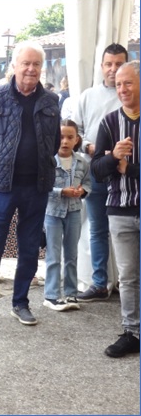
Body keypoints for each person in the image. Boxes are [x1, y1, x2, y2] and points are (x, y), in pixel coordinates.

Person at [0, 41, 60, 326]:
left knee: (29, 247)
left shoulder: (51, 101)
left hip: (37, 185)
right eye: (26, 63)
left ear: (41, 69)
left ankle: (20, 303)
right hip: (1, 185)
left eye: (36, 64)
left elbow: (53, 143)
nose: (31, 69)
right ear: (15, 66)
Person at [90, 61, 139, 358]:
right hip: (119, 210)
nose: (122, 89)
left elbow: (122, 169)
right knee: (129, 276)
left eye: (128, 83)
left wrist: (127, 167)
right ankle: (132, 332)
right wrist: (113, 159)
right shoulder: (109, 123)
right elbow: (97, 171)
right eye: (119, 84)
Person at [73, 43, 128, 302]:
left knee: (128, 228)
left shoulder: (130, 94)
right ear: (102, 66)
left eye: (119, 64)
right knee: (97, 228)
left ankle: (127, 284)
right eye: (109, 64)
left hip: (127, 173)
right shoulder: (87, 96)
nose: (113, 69)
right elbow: (76, 133)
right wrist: (92, 147)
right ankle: (99, 283)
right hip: (95, 170)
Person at [43, 119, 91, 311]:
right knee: (54, 255)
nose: (65, 141)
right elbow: (43, 187)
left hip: (74, 211)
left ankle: (71, 293)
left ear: (77, 139)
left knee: (71, 254)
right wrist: (61, 191)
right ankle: (52, 295)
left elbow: (88, 184)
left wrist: (82, 191)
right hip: (53, 212)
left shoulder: (82, 161)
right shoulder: (48, 159)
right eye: (61, 137)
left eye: (69, 137)